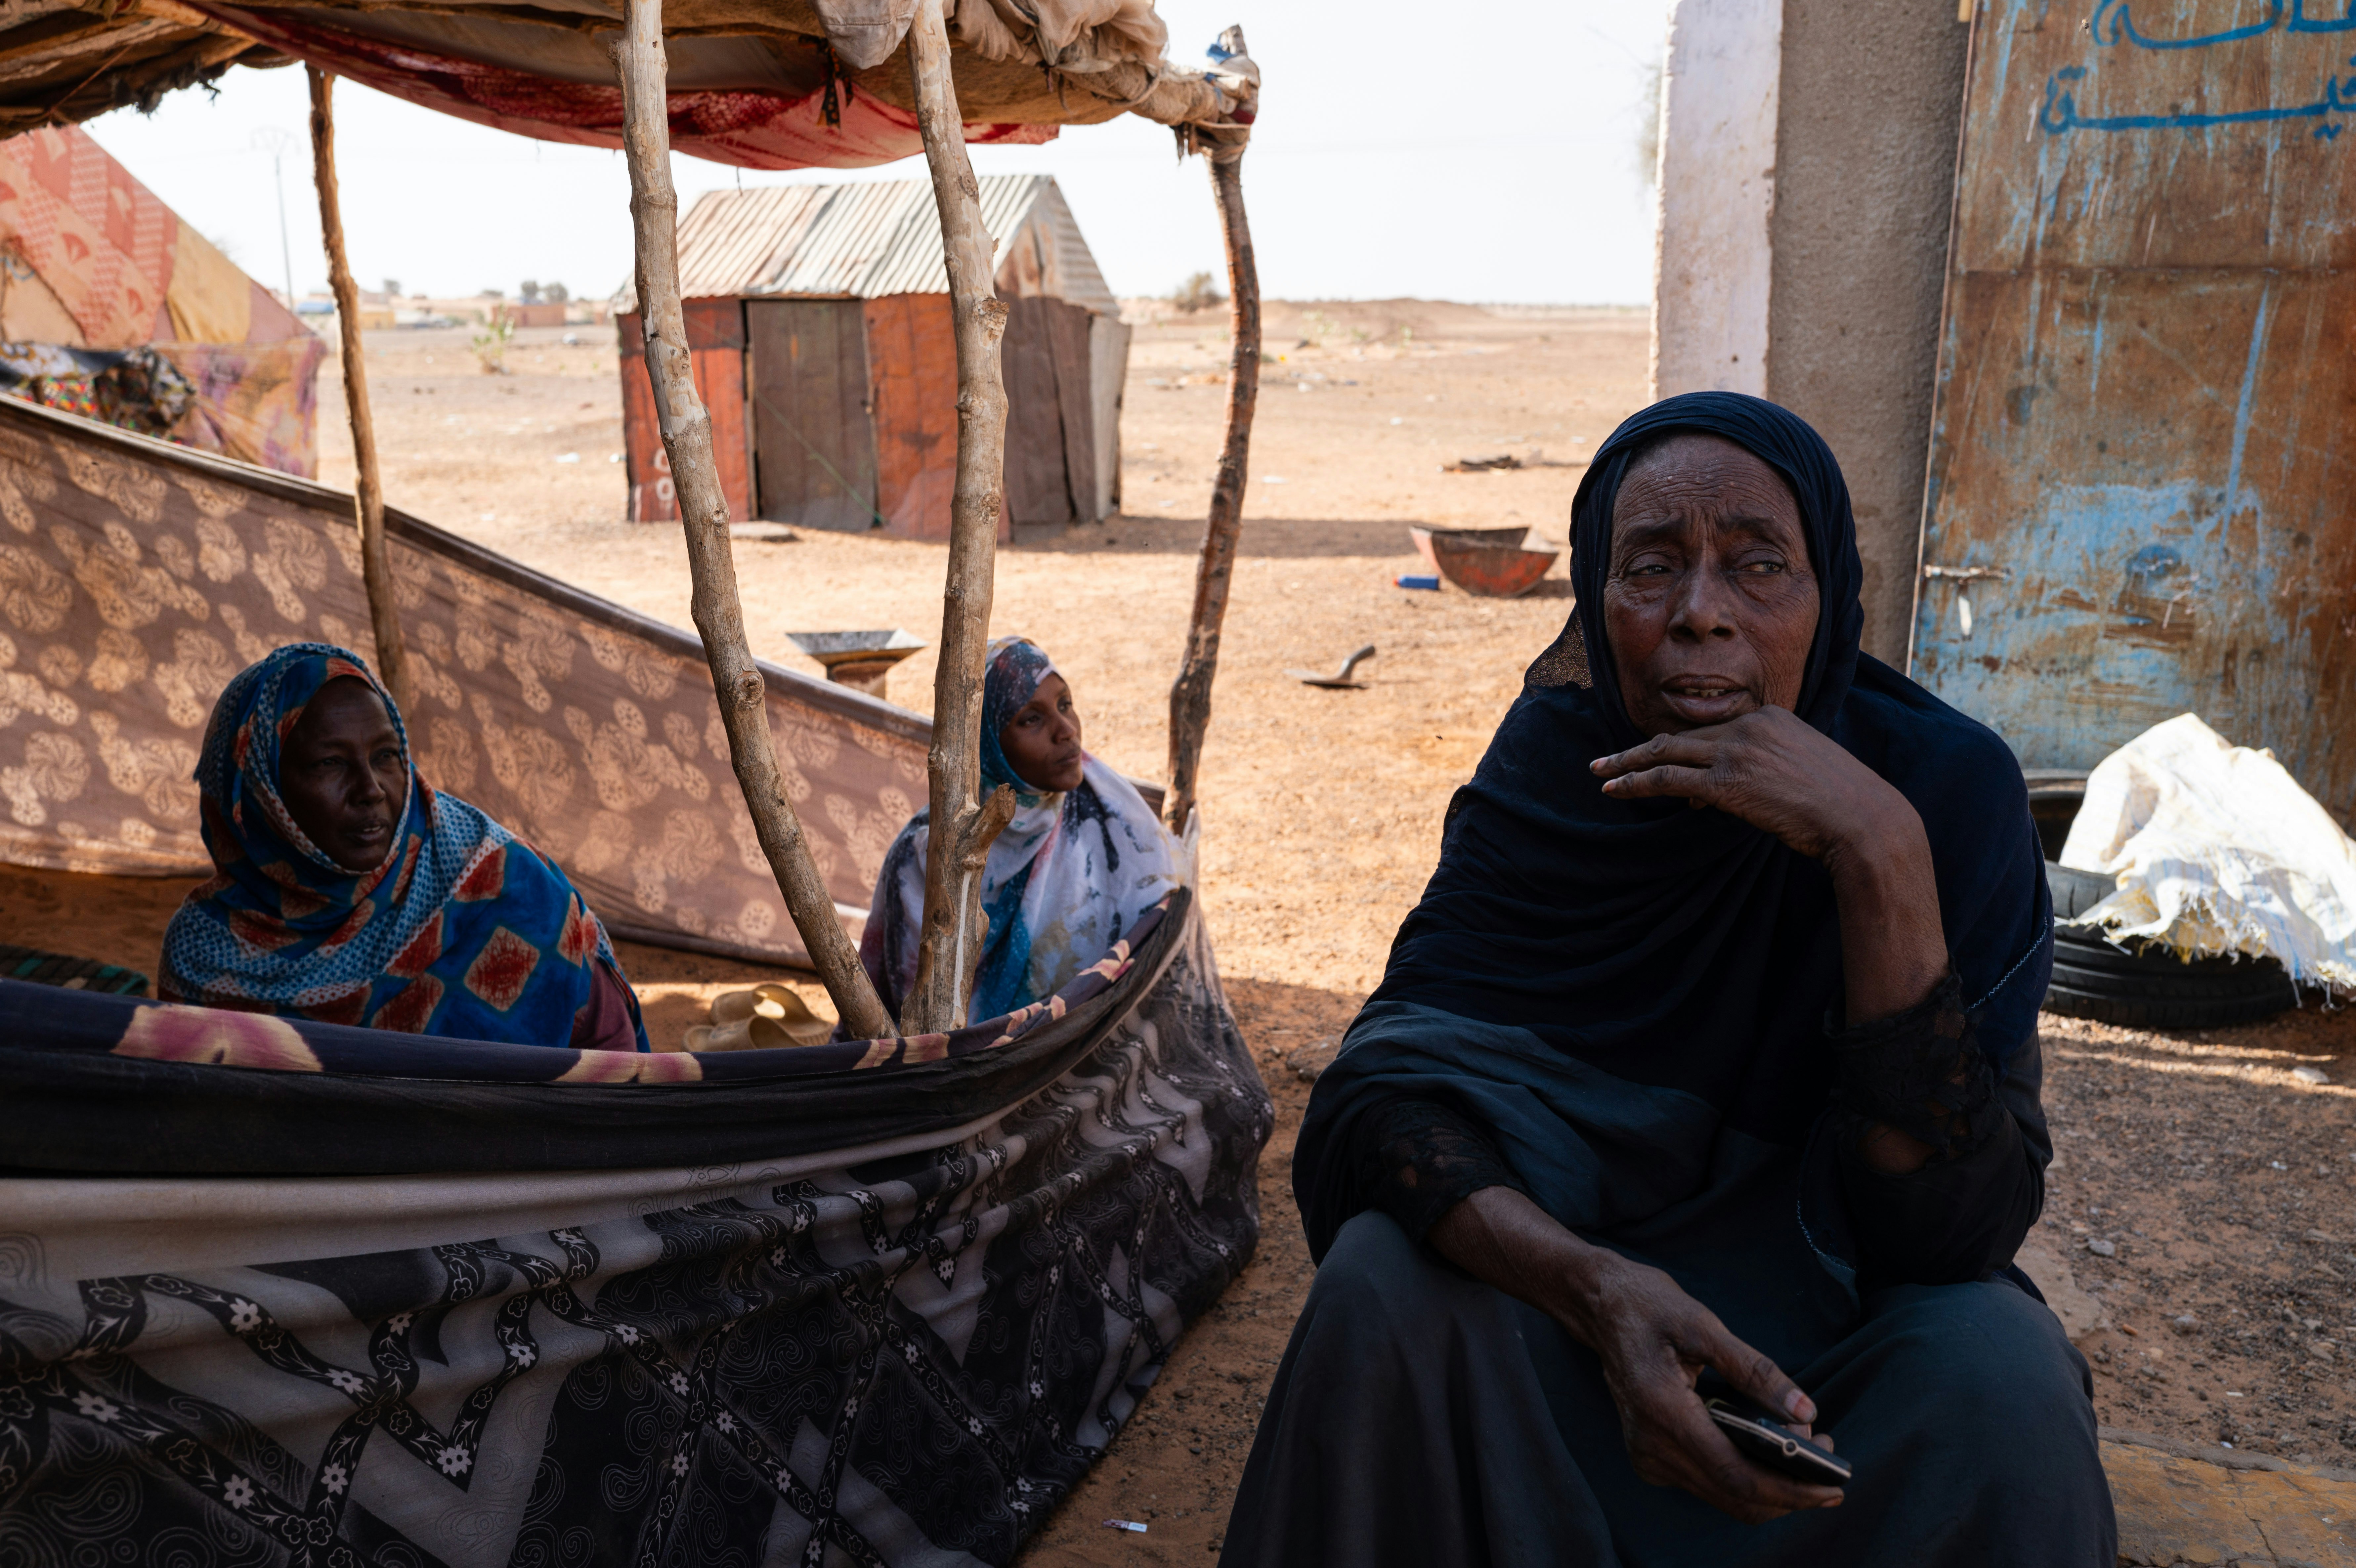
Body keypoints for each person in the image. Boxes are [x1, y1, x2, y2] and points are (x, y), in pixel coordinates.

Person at [1218, 394, 2113, 1566]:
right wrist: (1595, 1292)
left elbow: (1947, 1228)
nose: (1701, 617)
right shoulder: (1558, 763)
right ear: (1597, 595)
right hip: (1567, 1308)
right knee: (1379, 1287)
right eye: (1652, 568)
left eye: (1757, 568)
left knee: (2000, 1378)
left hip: (1832, 1323)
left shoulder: (1940, 793)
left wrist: (1877, 859)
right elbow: (1386, 1111)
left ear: (1830, 590)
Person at [161, 643, 647, 1051]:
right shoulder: (204, 954)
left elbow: (617, 1071)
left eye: (387, 757)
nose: (370, 789)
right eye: (329, 763)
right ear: (258, 791)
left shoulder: (504, 885)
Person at [861, 635, 1179, 1025]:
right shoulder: (924, 858)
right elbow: (919, 1012)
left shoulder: (1110, 812)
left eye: (1066, 705)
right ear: (988, 741)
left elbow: (1156, 921)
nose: (1066, 731)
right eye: (1032, 719)